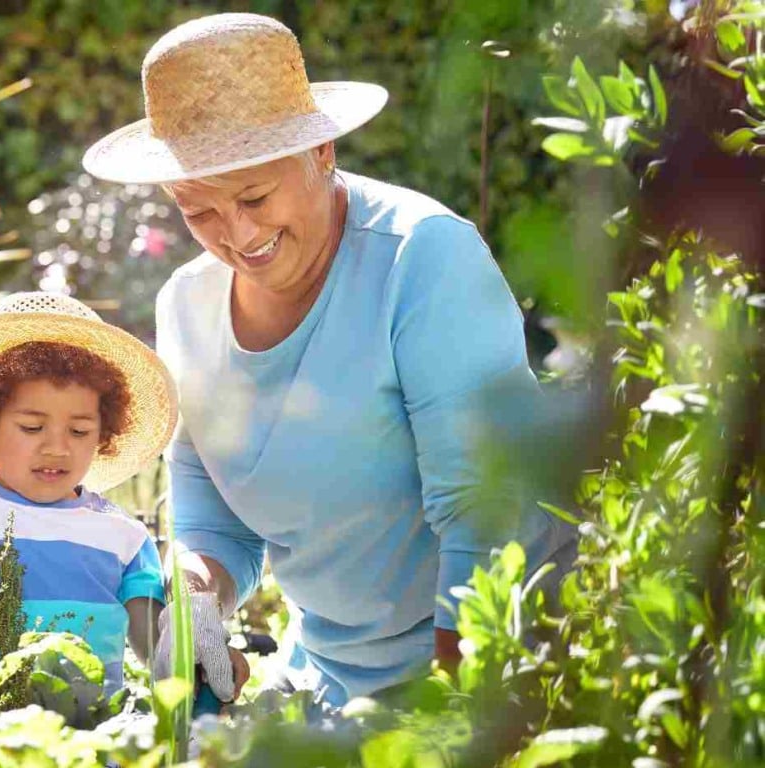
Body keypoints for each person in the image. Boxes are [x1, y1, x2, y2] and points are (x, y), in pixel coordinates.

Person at [83, 13, 577, 706]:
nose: (239, 234)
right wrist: (195, 597)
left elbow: (481, 512)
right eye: (201, 211)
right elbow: (215, 518)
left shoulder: (421, 258)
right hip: (328, 673)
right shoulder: (186, 307)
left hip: (498, 657)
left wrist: (456, 723)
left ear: (321, 152)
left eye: (255, 196)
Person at [0, 291, 183, 691]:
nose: (57, 447)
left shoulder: (124, 537)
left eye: (80, 431)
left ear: (103, 435)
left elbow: (156, 647)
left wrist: (192, 659)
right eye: (32, 428)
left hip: (93, 738)